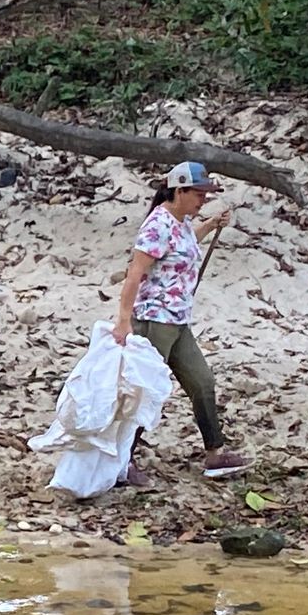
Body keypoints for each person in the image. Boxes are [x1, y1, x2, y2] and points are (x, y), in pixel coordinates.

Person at [110, 162, 251, 485]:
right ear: (180, 191)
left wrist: (211, 225)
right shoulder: (157, 223)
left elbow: (183, 246)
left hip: (176, 320)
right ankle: (122, 459)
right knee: (145, 392)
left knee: (201, 382)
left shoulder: (181, 222)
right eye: (198, 194)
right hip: (152, 320)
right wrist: (123, 320)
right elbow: (136, 273)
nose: (203, 200)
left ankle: (215, 453)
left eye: (206, 194)